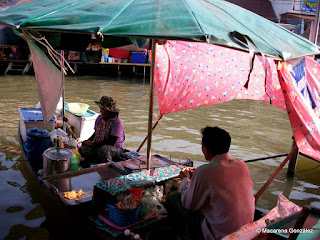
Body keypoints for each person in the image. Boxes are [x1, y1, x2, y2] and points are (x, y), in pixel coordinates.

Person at [166, 126, 255, 240]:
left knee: (172, 198)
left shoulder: (204, 171)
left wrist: (184, 179)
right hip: (245, 230)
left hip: (221, 235)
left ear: (205, 149)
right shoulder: (242, 165)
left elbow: (190, 204)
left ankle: (186, 236)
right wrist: (198, 174)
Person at [79, 96, 125, 167]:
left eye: (103, 110)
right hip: (99, 144)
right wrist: (87, 141)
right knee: (83, 148)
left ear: (109, 111)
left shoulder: (117, 122)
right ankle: (94, 161)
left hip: (115, 148)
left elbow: (111, 141)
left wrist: (93, 144)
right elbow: (96, 133)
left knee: (104, 150)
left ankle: (107, 167)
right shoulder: (99, 118)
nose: (100, 111)